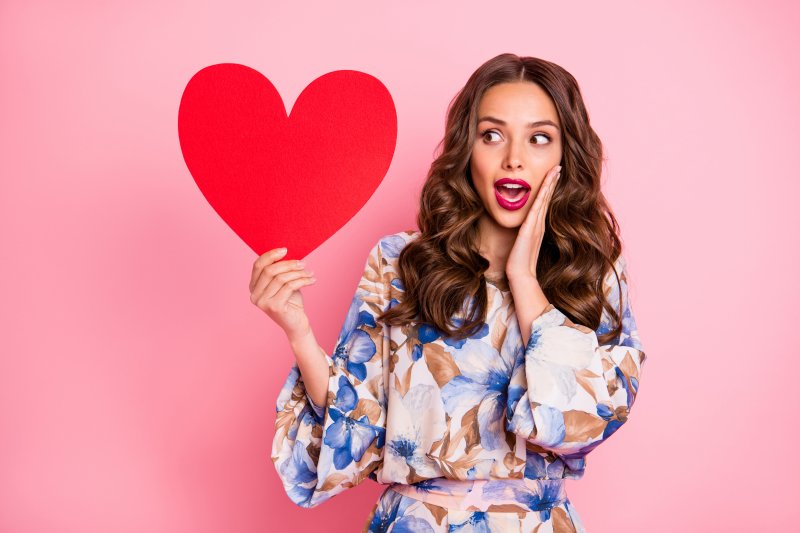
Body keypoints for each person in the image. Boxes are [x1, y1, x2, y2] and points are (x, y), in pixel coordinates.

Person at [252, 53, 647, 532]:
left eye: (539, 138)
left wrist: (523, 278)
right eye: (492, 135)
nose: (514, 158)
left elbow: (578, 425)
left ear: (565, 155)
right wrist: (297, 331)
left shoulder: (591, 271)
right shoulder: (403, 261)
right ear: (468, 149)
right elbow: (357, 426)